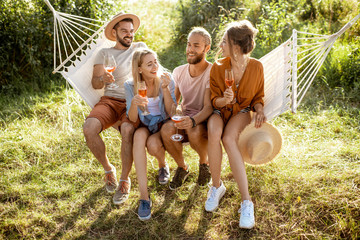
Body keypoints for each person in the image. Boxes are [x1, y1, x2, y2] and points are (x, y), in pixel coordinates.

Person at [205, 20, 266, 229]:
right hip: (219, 110)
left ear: (236, 47)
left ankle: (246, 201)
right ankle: (216, 186)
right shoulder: (218, 66)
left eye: (225, 42)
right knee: (214, 133)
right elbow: (214, 100)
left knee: (229, 139)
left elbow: (258, 96)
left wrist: (259, 109)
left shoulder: (257, 67)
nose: (221, 46)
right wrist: (224, 99)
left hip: (240, 111)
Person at [82, 12, 147, 205]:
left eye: (131, 31)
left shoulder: (140, 48)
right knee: (89, 128)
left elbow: (152, 68)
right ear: (114, 32)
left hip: (132, 100)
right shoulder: (105, 54)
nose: (129, 34)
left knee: (127, 130)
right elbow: (95, 84)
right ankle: (108, 169)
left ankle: (124, 180)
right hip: (109, 100)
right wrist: (103, 78)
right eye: (124, 31)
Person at [124, 48, 176, 220]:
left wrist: (166, 89)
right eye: (149, 64)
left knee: (153, 146)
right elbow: (132, 118)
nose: (155, 66)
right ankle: (144, 197)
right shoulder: (130, 86)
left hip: (163, 123)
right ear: (139, 69)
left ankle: (162, 164)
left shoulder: (166, 79)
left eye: (155, 61)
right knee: (138, 137)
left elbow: (171, 112)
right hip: (145, 124)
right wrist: (133, 103)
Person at [160, 27, 213, 190]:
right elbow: (173, 106)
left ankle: (204, 164)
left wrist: (192, 121)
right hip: (185, 115)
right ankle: (182, 167)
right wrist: (175, 112)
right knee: (166, 130)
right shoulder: (179, 71)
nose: (190, 49)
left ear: (206, 48)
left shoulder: (212, 71)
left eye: (196, 46)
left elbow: (208, 107)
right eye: (189, 45)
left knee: (194, 131)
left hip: (203, 118)